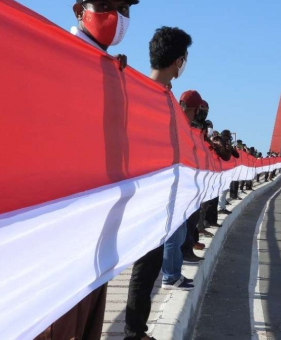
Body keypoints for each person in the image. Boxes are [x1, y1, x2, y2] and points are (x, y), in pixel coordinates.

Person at [34, 0, 139, 340]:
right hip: (66, 212)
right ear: (80, 10)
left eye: (123, 7)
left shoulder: (108, 64)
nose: (115, 14)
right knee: (61, 317)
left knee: (89, 311)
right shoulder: (60, 54)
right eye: (104, 5)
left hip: (99, 212)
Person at [121, 26, 192, 340]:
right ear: (178, 61)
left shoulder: (157, 95)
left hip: (152, 193)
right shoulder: (145, 93)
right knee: (145, 264)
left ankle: (136, 329)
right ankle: (134, 332)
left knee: (148, 264)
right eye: (184, 59)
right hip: (141, 194)